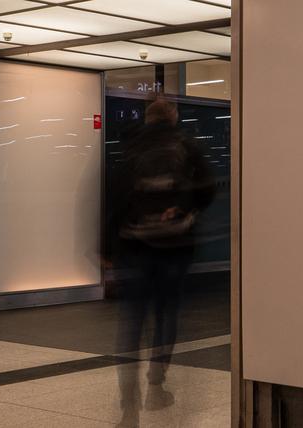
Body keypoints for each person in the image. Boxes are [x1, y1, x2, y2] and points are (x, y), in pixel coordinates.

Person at [104, 96, 215, 427]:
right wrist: (183, 209)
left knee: (131, 323)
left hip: (135, 248)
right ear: (173, 116)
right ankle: (156, 382)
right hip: (174, 247)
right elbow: (208, 189)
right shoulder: (186, 145)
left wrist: (106, 248)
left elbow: (114, 200)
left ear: (148, 118)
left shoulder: (130, 148)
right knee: (166, 315)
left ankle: (128, 406)